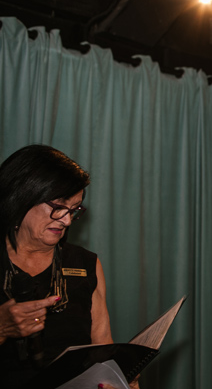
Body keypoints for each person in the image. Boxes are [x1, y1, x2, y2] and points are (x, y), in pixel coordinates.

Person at [0, 145, 131, 388]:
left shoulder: (85, 263)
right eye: (58, 207)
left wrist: (118, 378)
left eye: (74, 210)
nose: (67, 220)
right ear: (22, 195)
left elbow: (101, 347)